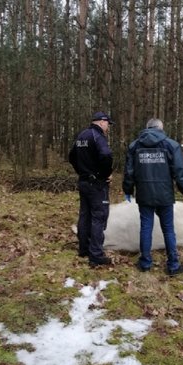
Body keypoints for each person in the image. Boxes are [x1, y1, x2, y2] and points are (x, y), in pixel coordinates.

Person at [122, 118, 183, 275]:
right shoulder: (171, 145)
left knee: (146, 228)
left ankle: (145, 263)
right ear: (161, 128)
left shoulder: (134, 146)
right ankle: (173, 265)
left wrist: (128, 190)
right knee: (168, 229)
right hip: (164, 194)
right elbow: (179, 172)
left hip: (144, 194)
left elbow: (129, 172)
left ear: (147, 128)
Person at [68, 111, 114, 267]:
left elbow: (72, 156)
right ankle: (96, 255)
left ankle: (84, 249)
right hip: (96, 184)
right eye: (108, 123)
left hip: (83, 182)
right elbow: (106, 155)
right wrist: (105, 174)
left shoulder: (82, 135)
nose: (108, 127)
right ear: (101, 122)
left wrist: (82, 171)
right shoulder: (97, 136)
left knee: (85, 215)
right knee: (99, 217)